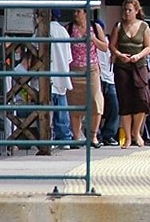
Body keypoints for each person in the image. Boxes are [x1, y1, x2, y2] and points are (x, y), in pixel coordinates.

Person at [109, 0, 150, 149]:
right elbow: (112, 45)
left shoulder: (144, 26)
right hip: (122, 67)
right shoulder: (119, 26)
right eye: (125, 10)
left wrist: (138, 56)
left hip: (139, 66)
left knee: (141, 100)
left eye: (130, 10)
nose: (127, 13)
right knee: (125, 101)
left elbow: (148, 47)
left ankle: (136, 132)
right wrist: (120, 55)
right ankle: (127, 137)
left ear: (136, 11)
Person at [66, 8, 107, 149]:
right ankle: (76, 137)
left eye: (78, 11)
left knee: (96, 100)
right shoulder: (69, 28)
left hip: (92, 69)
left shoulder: (95, 27)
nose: (75, 14)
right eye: (74, 11)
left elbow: (105, 47)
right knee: (75, 103)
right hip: (74, 69)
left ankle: (93, 135)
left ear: (85, 13)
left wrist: (94, 39)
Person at [49, 10, 74, 149]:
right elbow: (69, 57)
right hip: (62, 73)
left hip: (49, 73)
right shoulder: (64, 31)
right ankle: (65, 137)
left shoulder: (44, 31)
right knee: (62, 107)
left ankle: (49, 137)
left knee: (48, 108)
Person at [96, 19, 120, 147]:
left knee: (114, 107)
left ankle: (108, 134)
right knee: (97, 108)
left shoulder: (108, 41)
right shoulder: (92, 41)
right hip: (98, 77)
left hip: (109, 79)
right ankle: (97, 134)